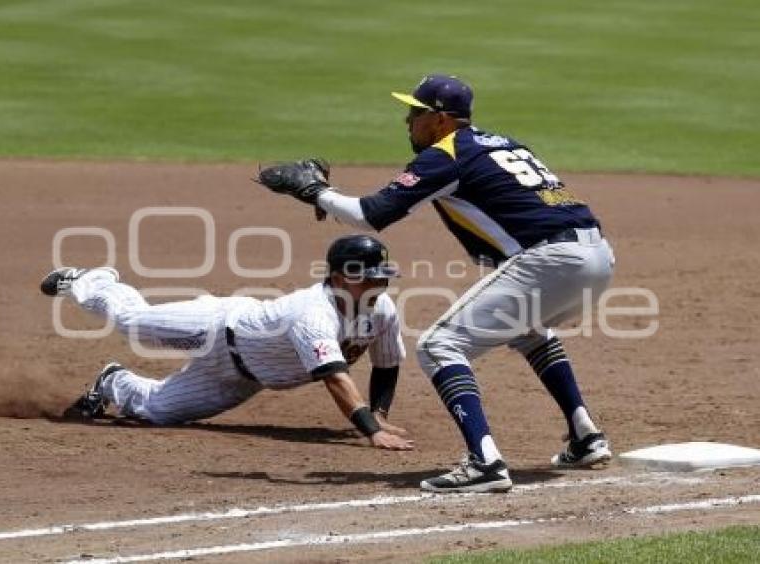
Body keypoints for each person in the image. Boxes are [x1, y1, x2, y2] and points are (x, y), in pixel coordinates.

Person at [256, 74, 615, 492]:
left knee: (439, 345)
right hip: (598, 257)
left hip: (551, 259)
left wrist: (315, 191)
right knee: (531, 332)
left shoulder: (446, 155)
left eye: (416, 113)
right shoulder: (505, 144)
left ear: (441, 120)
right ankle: (584, 436)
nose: (408, 121)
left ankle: (484, 463)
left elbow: (372, 214)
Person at [40, 235, 413, 451]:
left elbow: (387, 363)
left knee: (156, 412)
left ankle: (112, 381)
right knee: (134, 324)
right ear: (338, 278)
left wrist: (378, 412)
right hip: (218, 328)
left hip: (241, 378)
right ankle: (93, 282)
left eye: (382, 277)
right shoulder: (312, 313)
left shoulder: (381, 311)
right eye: (369, 278)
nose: (379, 285)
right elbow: (335, 377)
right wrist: (372, 430)